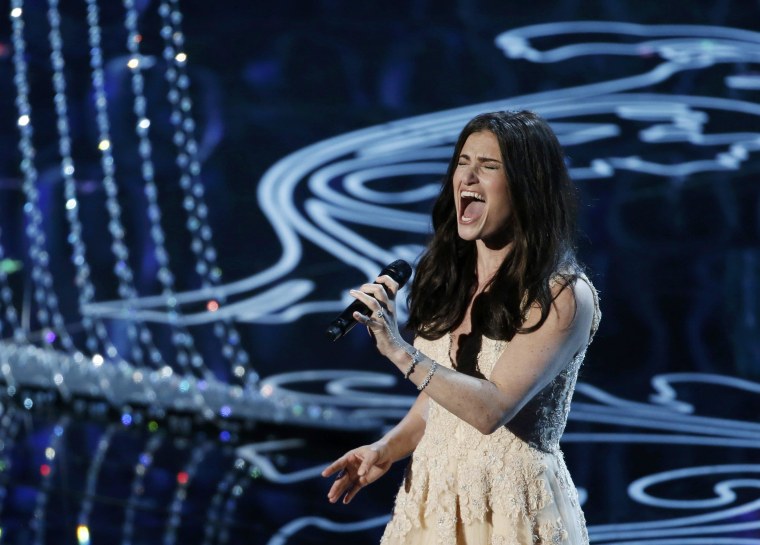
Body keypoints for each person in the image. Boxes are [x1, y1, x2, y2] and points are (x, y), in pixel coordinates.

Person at [322, 111, 600, 544]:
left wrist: (399, 349)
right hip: (432, 502)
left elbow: (490, 410)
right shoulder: (448, 275)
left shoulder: (561, 294)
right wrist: (386, 449)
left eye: (489, 166)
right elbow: (441, 398)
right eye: (462, 162)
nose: (467, 177)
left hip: (510, 510)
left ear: (528, 186)